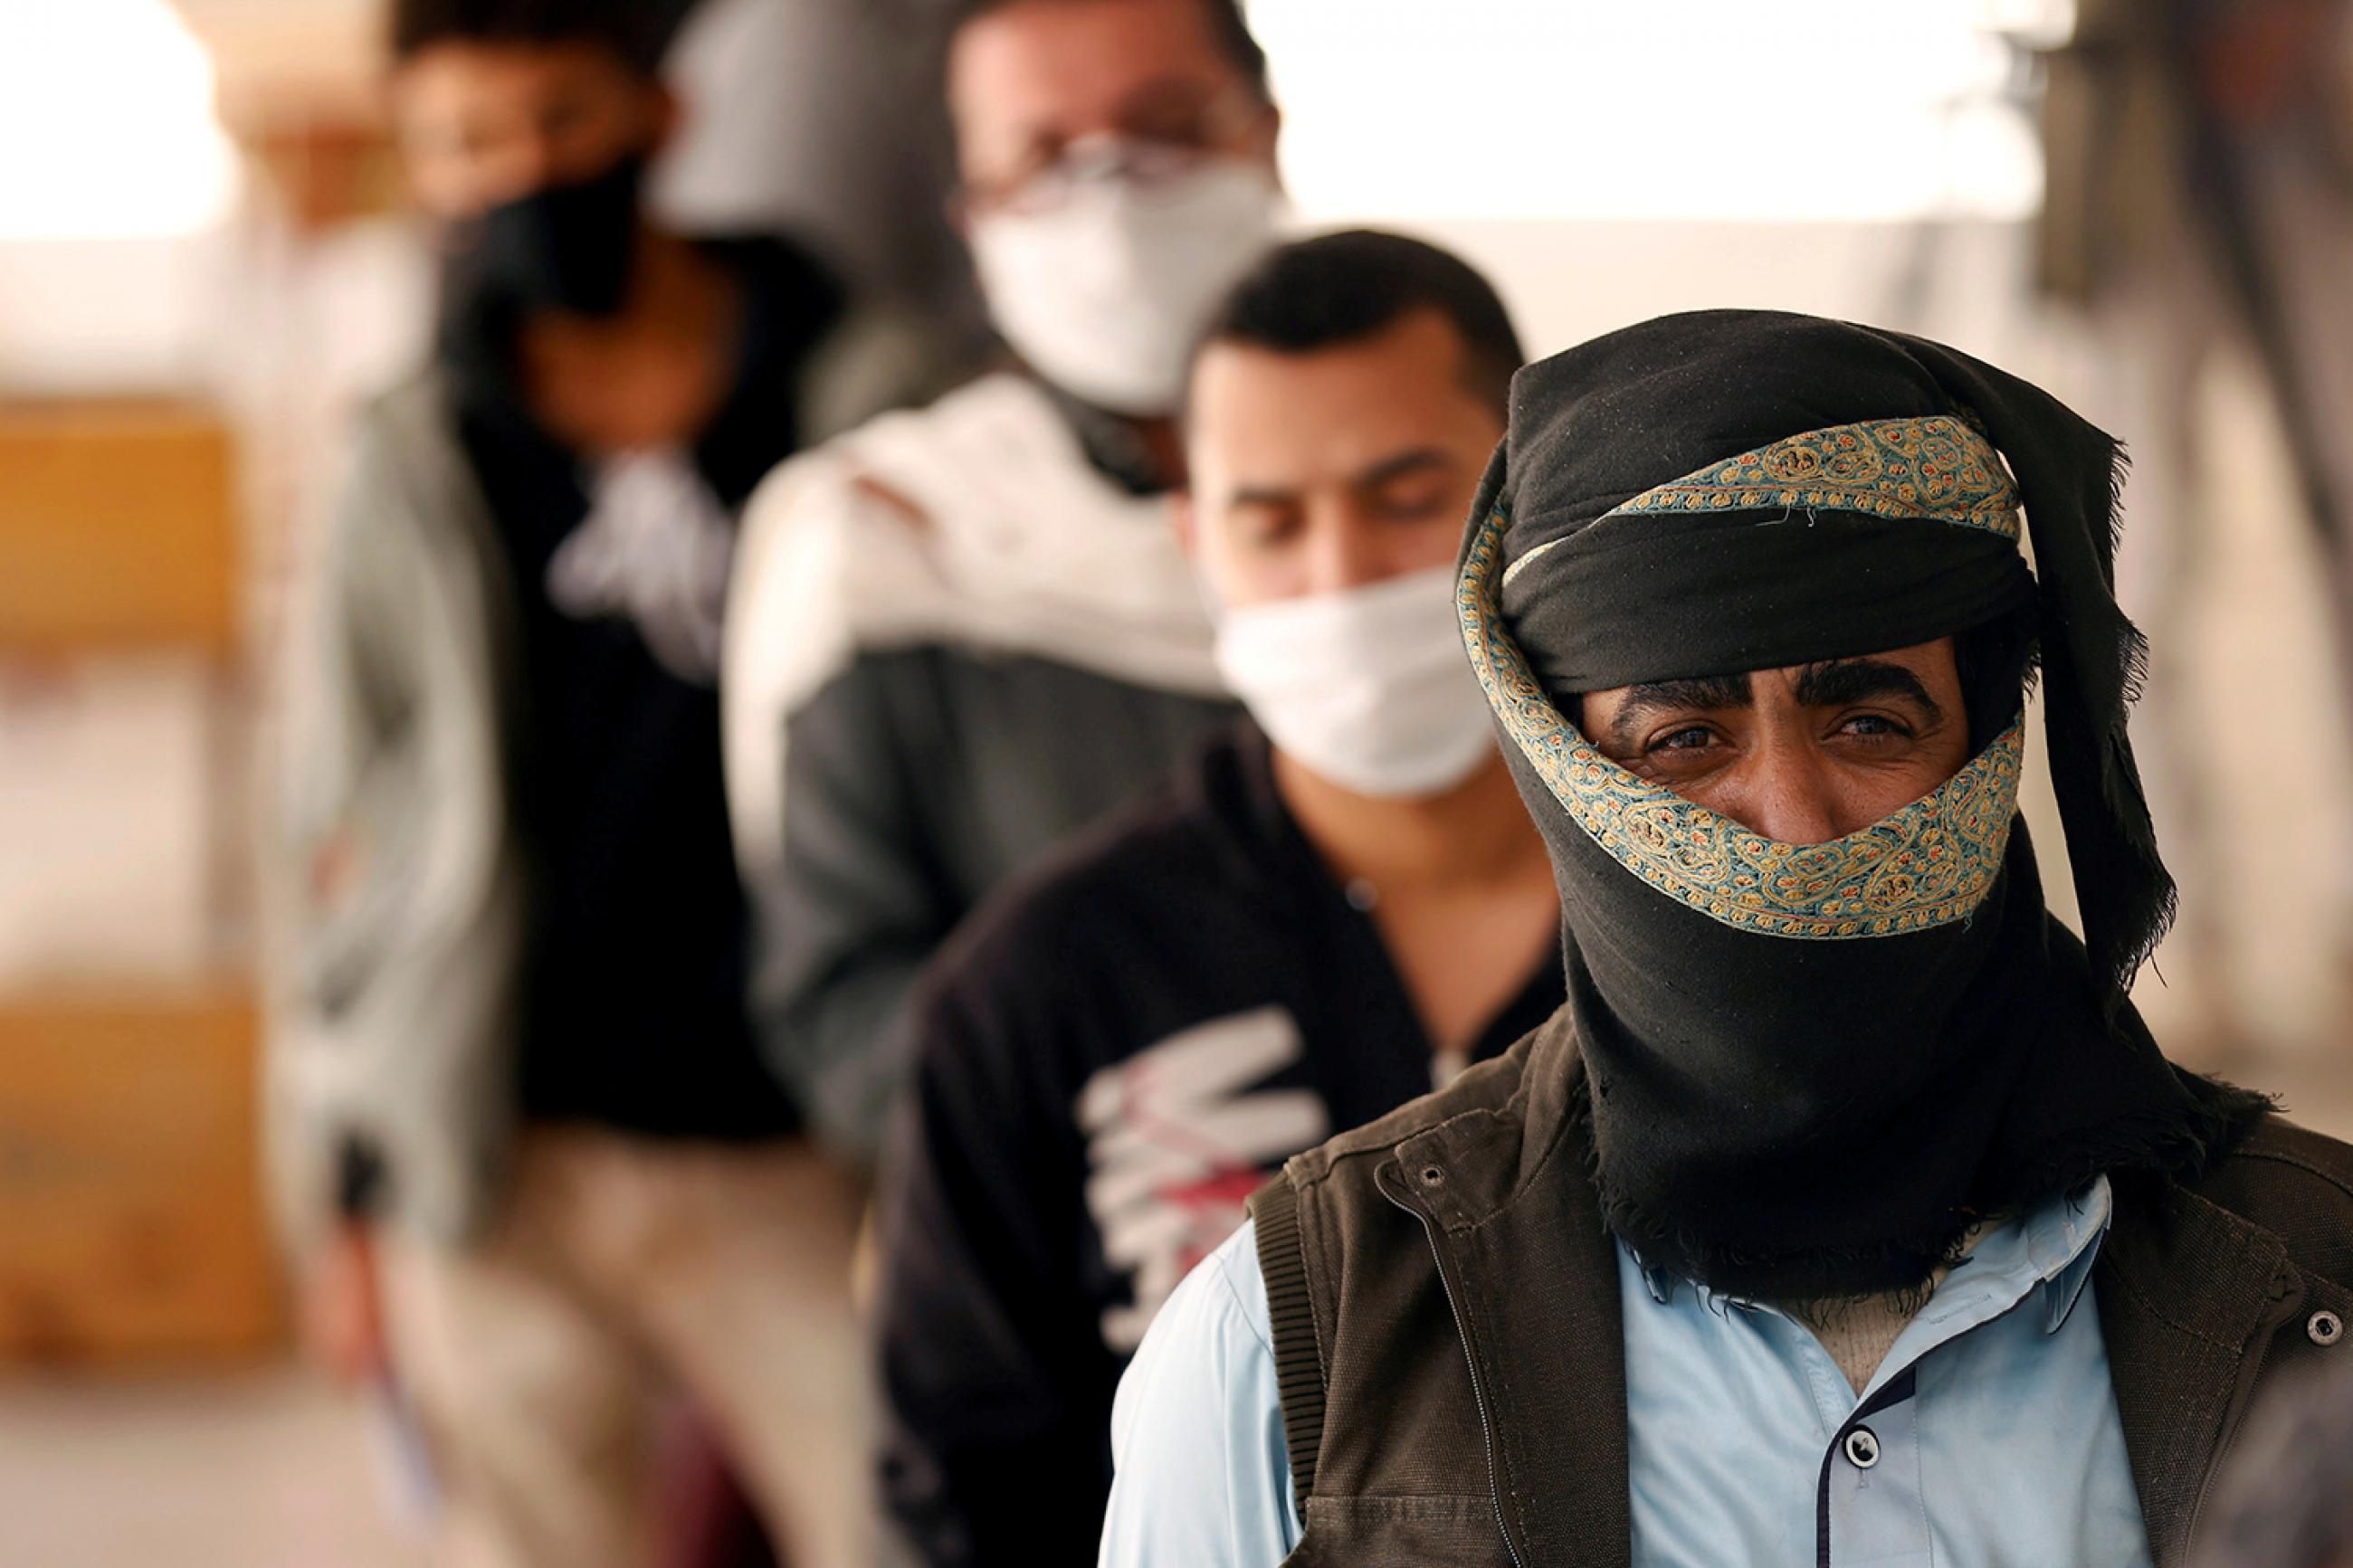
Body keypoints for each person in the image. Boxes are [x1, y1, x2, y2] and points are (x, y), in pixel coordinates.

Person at [1100, 310, 2353, 1567]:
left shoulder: (2317, 1285)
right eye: (1684, 742)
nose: (1793, 825)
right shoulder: (1300, 1344)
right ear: (1568, 784)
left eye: (1868, 722)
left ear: (1987, 741)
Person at [267, 3, 899, 1563]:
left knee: (904, 1515)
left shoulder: (850, 382)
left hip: (792, 1144)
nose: (520, 173)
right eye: (466, 144)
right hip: (502, 1152)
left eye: (558, 121)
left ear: (655, 119)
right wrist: (340, 1191)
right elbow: (331, 839)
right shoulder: (415, 452)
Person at [873, 231, 1564, 1567]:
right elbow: (961, 1489)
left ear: (1531, 499)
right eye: (1271, 519)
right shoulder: (1047, 980)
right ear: (1196, 540)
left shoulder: (1697, 909)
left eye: (1408, 495)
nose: (1338, 572)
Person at [721, 0, 1281, 1164]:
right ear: (971, 214)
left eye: (1166, 126)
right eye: (1040, 157)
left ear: (1263, 135)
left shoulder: (1459, 499)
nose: (1111, 192)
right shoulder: (885, 538)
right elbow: (844, 1004)